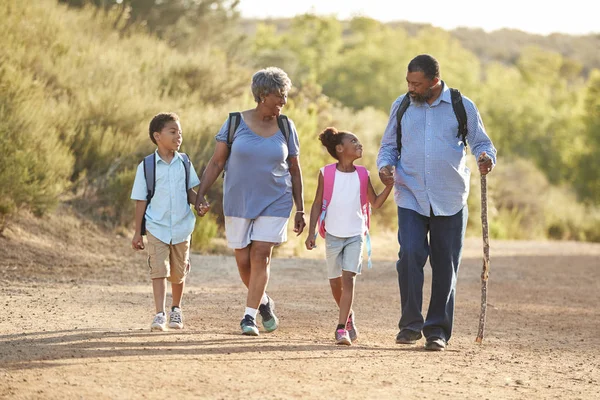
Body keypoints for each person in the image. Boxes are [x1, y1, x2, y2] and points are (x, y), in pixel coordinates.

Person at [377, 54, 497, 351]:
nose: (411, 88)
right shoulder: (402, 105)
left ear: (434, 81)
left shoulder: (461, 105)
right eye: (408, 82)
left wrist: (486, 158)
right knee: (410, 257)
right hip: (411, 195)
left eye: (416, 84)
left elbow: (481, 142)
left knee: (445, 266)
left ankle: (437, 331)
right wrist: (384, 167)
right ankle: (410, 325)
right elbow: (388, 146)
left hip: (450, 198)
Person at [194, 67, 306, 336]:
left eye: (285, 96)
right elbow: (217, 162)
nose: (284, 101)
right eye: (280, 96)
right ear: (263, 94)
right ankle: (264, 301)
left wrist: (300, 208)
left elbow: (294, 168)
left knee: (261, 255)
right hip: (239, 200)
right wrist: (199, 193)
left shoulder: (285, 126)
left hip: (276, 199)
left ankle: (248, 317)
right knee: (243, 260)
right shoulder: (234, 122)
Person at [305, 127, 393, 345]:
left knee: (348, 279)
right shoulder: (326, 173)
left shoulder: (363, 174)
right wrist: (311, 233)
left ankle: (341, 327)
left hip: (356, 234)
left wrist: (389, 186)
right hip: (333, 235)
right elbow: (317, 204)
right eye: (354, 141)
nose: (359, 144)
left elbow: (376, 203)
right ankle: (349, 315)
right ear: (340, 148)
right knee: (335, 283)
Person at [131, 112, 201, 331]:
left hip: (182, 227)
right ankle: (159, 313)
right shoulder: (147, 166)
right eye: (173, 131)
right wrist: (137, 232)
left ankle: (176, 310)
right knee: (159, 269)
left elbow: (190, 191)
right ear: (157, 136)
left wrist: (200, 202)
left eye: (180, 132)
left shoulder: (185, 162)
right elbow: (141, 201)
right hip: (156, 227)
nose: (178, 136)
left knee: (178, 273)